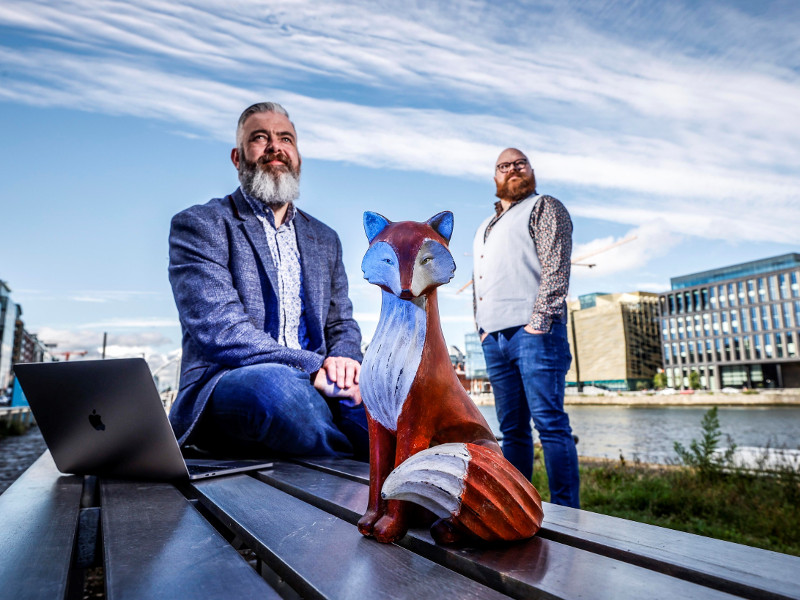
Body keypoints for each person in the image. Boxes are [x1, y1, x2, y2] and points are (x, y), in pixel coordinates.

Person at [168, 102, 368, 460]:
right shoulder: (201, 224)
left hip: (321, 381)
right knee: (276, 387)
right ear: (237, 156)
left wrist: (344, 359)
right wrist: (313, 365)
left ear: (298, 156)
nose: (275, 146)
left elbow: (342, 322)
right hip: (230, 382)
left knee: (386, 395)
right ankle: (349, 475)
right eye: (260, 138)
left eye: (286, 138)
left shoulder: (325, 238)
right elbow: (221, 331)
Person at [472, 147, 580, 507]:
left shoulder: (544, 207)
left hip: (535, 335)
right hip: (495, 338)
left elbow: (556, 267)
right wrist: (482, 329)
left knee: (550, 424)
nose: (513, 169)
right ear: (495, 177)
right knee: (512, 432)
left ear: (531, 170)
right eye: (505, 166)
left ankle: (568, 513)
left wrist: (539, 323)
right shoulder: (484, 228)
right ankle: (516, 506)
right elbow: (480, 281)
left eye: (520, 164)